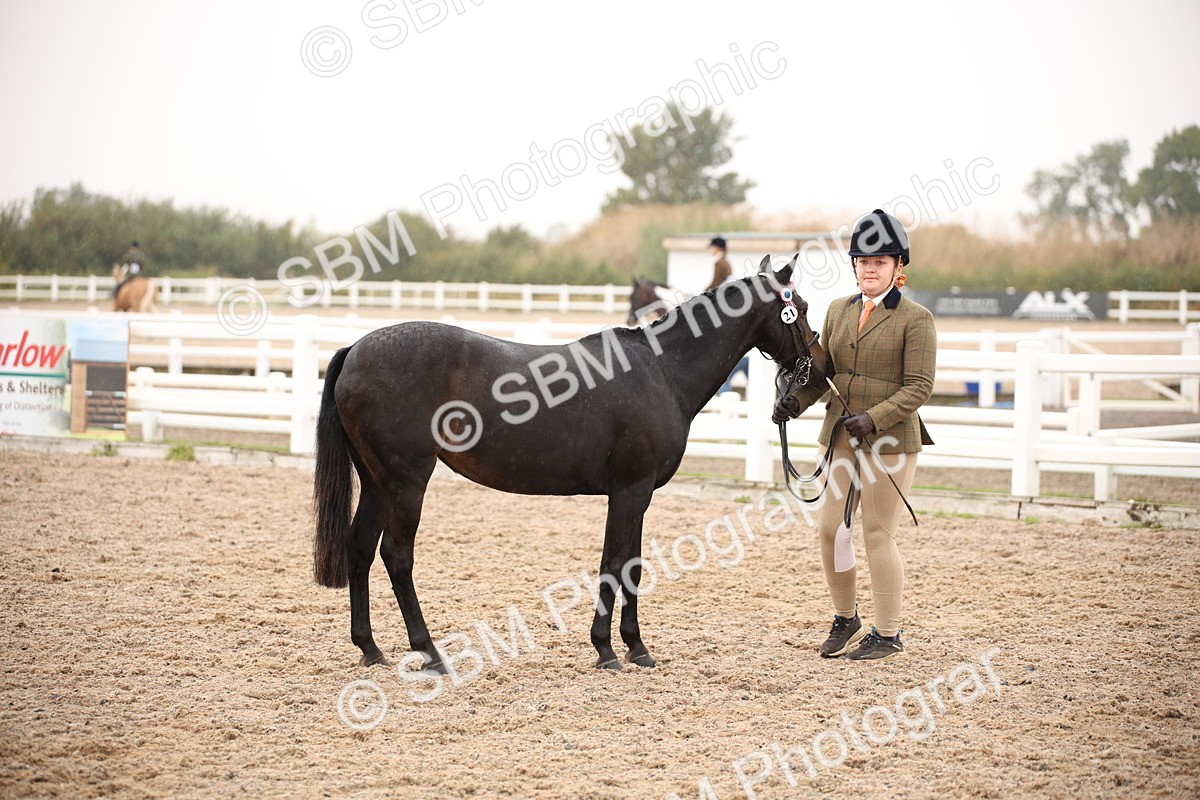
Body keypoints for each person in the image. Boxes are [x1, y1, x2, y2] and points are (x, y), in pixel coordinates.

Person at [773, 209, 936, 661]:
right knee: (830, 530)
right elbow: (823, 374)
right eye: (863, 261)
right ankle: (846, 617)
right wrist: (795, 402)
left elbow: (919, 386)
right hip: (842, 437)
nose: (870, 268)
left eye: (880, 262)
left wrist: (875, 418)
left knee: (877, 534)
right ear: (854, 265)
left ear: (898, 267)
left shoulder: (916, 319)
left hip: (891, 442)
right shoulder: (838, 311)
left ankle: (888, 633)